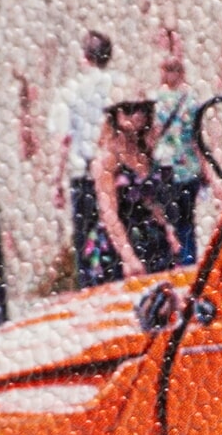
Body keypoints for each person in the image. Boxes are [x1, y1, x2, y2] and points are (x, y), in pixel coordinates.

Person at [81, 87, 182, 285]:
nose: (136, 114)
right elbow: (109, 214)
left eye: (142, 108)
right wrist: (128, 258)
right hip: (118, 246)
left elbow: (149, 200)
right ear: (116, 115)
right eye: (128, 109)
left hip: (151, 239)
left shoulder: (144, 151)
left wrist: (169, 231)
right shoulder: (107, 159)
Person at [48, 31, 116, 285]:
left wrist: (56, 181)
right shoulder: (119, 85)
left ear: (84, 56)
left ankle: (92, 289)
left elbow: (64, 140)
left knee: (86, 238)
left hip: (84, 174)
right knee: (118, 234)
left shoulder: (70, 92)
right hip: (117, 172)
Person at [151, 40, 206, 265]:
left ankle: (175, 262)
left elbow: (153, 135)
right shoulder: (192, 101)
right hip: (188, 167)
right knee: (187, 221)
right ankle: (188, 262)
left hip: (165, 166)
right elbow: (197, 139)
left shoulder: (156, 101)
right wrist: (204, 168)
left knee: (168, 220)